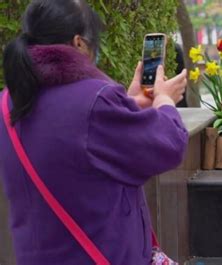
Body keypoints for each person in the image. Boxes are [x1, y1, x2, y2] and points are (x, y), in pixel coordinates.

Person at [0, 0, 188, 264]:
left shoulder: (7, 102)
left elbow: (67, 137)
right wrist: (164, 101)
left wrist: (127, 104)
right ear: (79, 43)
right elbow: (168, 145)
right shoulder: (94, 102)